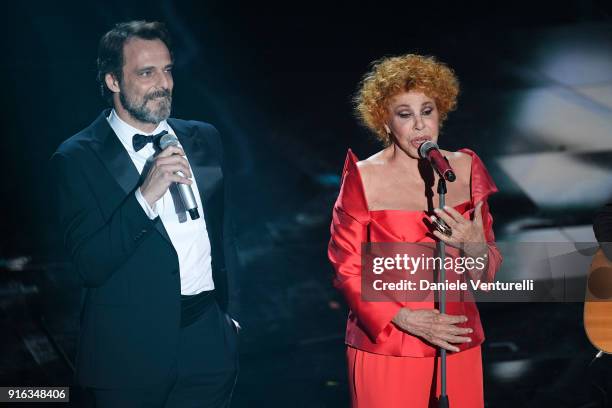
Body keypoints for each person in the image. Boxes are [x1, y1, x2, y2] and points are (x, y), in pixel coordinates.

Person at [51, 21, 240, 407]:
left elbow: (223, 234)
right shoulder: (77, 158)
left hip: (208, 343)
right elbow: (90, 264)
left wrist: (231, 320)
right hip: (128, 354)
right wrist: (144, 197)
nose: (163, 83)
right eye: (146, 72)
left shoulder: (203, 137)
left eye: (168, 70)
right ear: (113, 81)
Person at [328, 54, 502, 407]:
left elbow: (487, 273)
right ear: (385, 122)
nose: (420, 125)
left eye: (427, 110)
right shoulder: (363, 177)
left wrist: (474, 245)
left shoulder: (466, 169)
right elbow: (346, 270)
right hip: (387, 343)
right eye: (404, 114)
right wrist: (404, 318)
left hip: (456, 341)